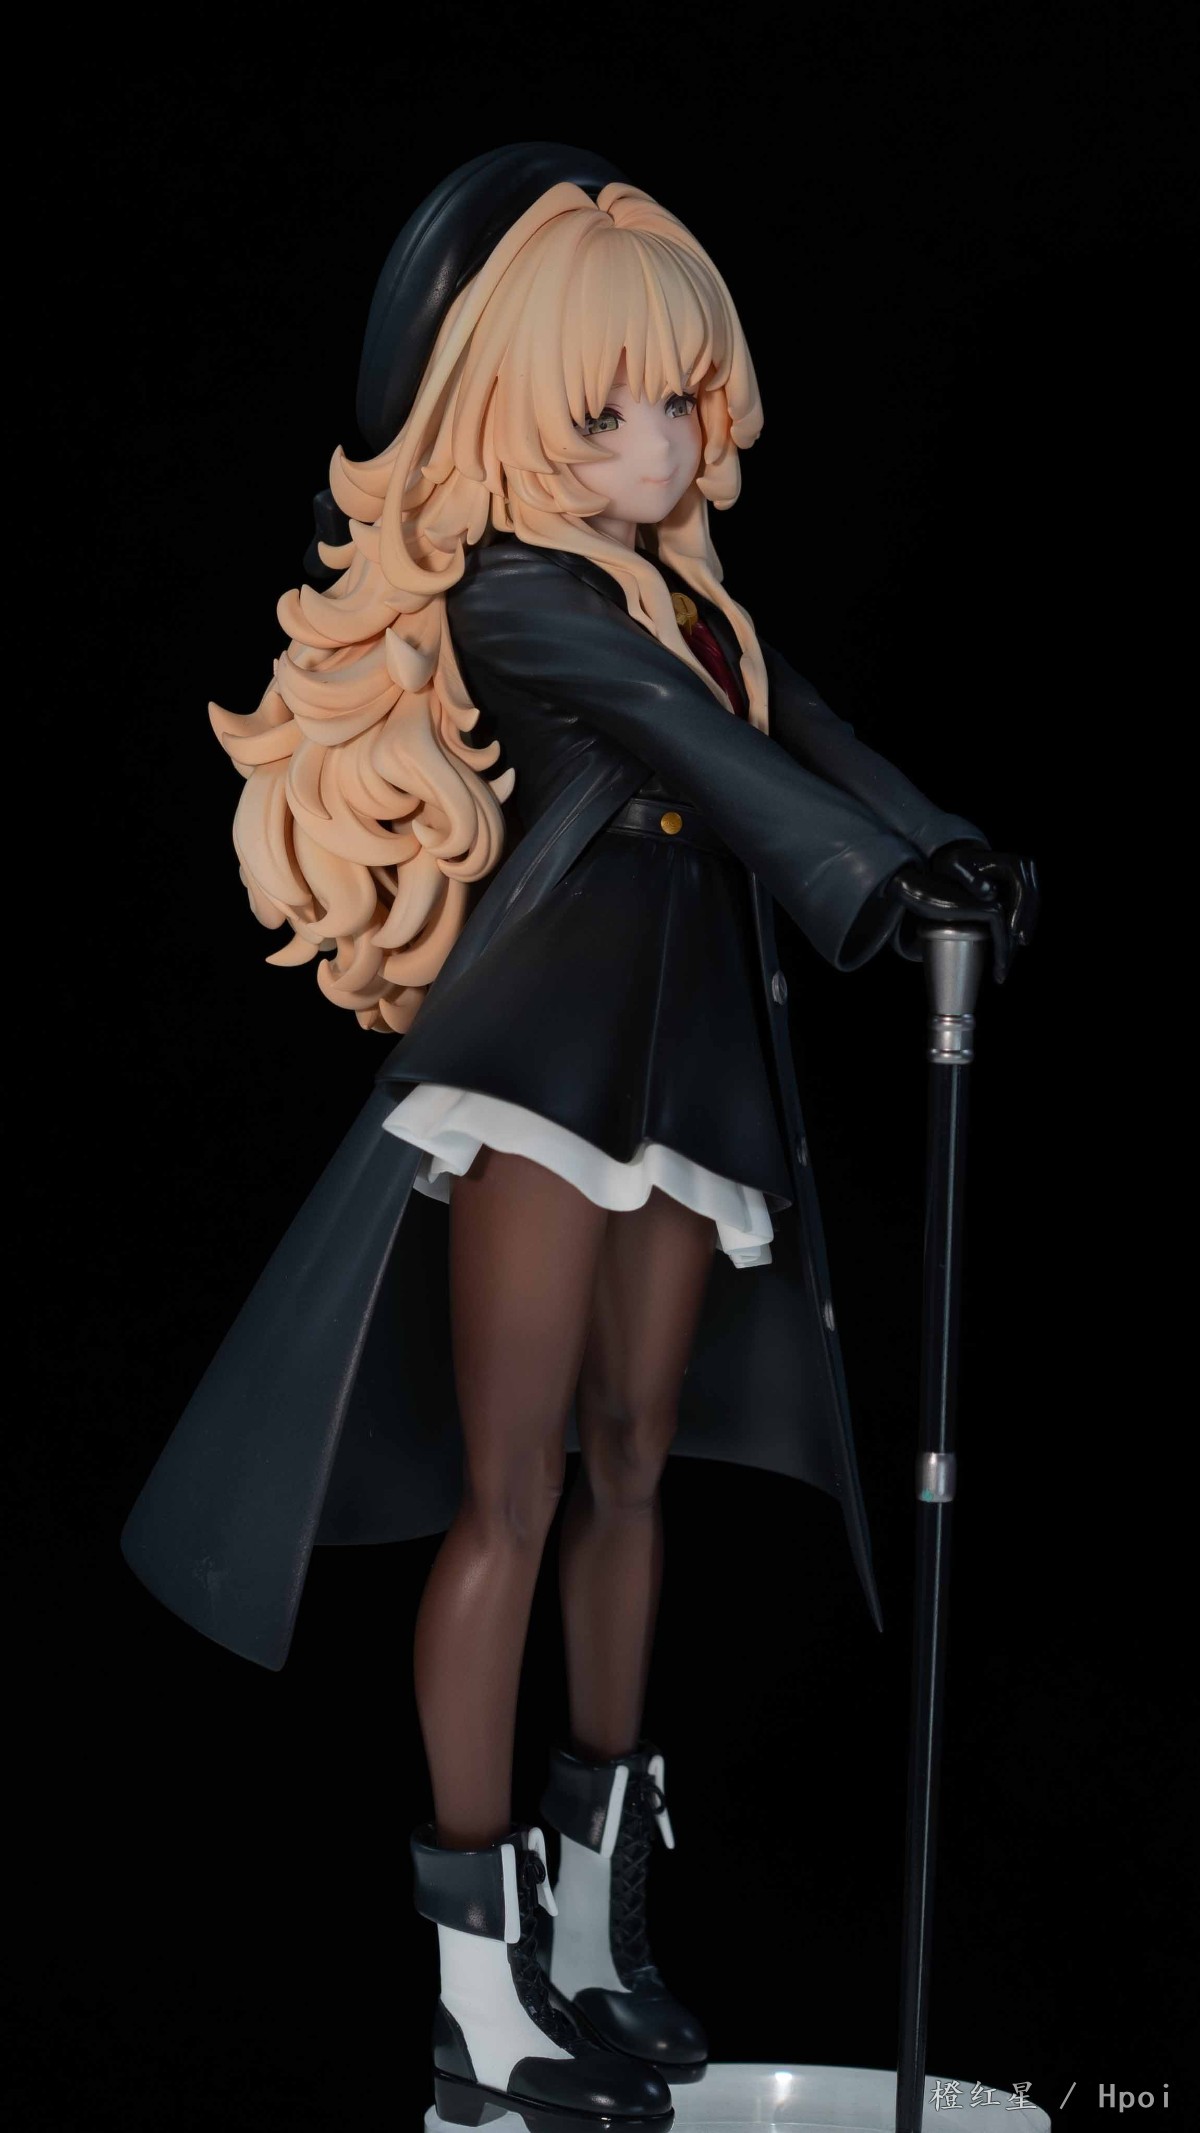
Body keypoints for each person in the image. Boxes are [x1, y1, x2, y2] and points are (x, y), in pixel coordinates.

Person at [121, 144, 1038, 2130]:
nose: (660, 440)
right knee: (516, 1485)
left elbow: (805, 732)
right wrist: (874, 890)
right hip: (544, 1070)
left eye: (679, 398)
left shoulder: (694, 599)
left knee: (633, 1467)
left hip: (685, 1079)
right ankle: (476, 1991)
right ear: (519, 410)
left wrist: (944, 847)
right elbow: (709, 756)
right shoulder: (528, 597)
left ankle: (598, 1931)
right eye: (607, 406)